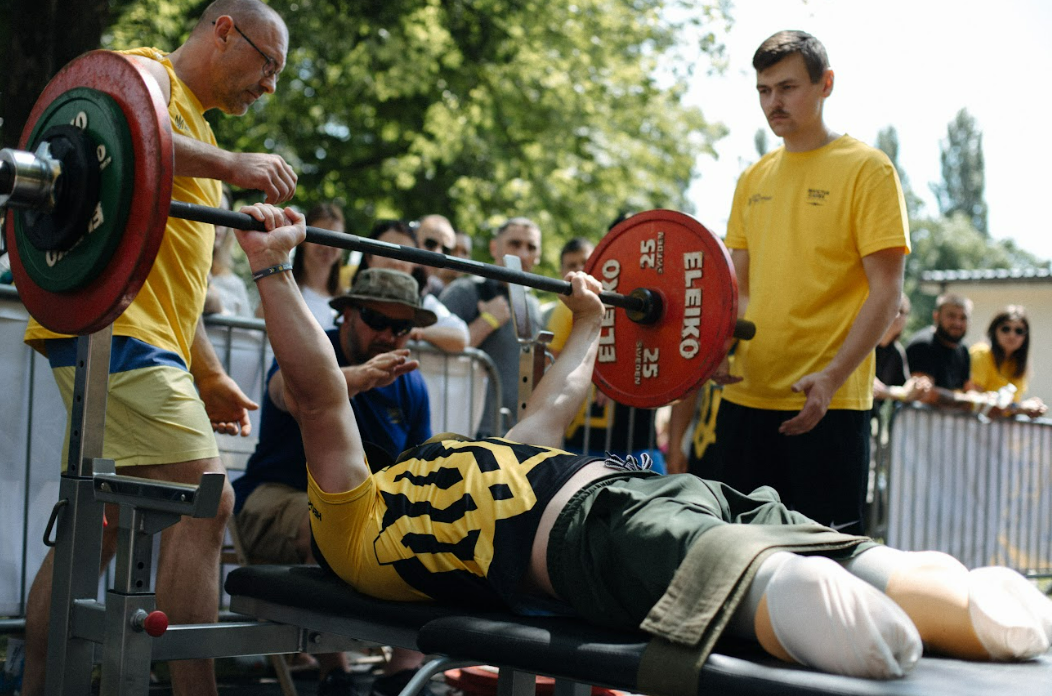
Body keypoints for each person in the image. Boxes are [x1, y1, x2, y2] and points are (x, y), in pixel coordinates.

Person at [236, 203, 1052, 681]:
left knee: (820, 554)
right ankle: (909, 600)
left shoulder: (472, 455)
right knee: (804, 589)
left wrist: (591, 319)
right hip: (590, 533)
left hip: (641, 499)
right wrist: (273, 271)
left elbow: (555, 402)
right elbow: (313, 394)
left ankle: (933, 592)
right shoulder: (351, 524)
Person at [20, 2, 296, 694]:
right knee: (207, 501)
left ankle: (35, 683)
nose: (268, 91)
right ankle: (192, 688)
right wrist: (236, 165)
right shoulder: (144, 77)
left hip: (135, 336)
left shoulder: (191, 128)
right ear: (225, 29)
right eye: (269, 68)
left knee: (102, 521)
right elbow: (144, 140)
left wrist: (207, 373)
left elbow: (162, 280)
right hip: (117, 338)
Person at [709, 30, 909, 536]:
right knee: (736, 560)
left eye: (787, 87)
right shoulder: (751, 178)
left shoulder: (869, 170)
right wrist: (713, 346)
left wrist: (834, 377)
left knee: (824, 569)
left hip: (826, 405)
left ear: (827, 85)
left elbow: (886, 293)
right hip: (744, 399)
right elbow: (741, 289)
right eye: (763, 90)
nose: (773, 102)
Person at [233, 267, 435, 695]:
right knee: (328, 524)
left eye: (401, 327)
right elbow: (279, 391)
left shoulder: (411, 384)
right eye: (377, 320)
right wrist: (358, 379)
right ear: (346, 313)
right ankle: (334, 672)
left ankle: (402, 672)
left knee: (435, 529)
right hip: (276, 497)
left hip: (362, 509)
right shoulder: (311, 346)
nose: (389, 335)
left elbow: (418, 470)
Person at [440, 217, 542, 436]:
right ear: (495, 248)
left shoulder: (533, 306)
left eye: (531, 247)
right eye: (515, 244)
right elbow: (436, 354)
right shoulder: (465, 292)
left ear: (538, 255)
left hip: (517, 433)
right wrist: (486, 323)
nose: (523, 254)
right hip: (466, 431)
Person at [355, 220, 469, 353]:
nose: (396, 262)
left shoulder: (424, 301)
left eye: (404, 255)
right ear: (369, 256)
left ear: (414, 264)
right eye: (387, 251)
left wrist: (413, 332)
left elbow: (461, 335)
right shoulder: (346, 296)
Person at [260, 202, 346, 329]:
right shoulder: (281, 290)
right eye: (321, 238)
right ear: (303, 239)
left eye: (335, 239)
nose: (327, 247)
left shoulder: (347, 300)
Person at [968, 306, 1047, 418]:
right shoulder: (981, 353)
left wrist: (1032, 407)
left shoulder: (1019, 364)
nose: (1012, 335)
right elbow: (975, 401)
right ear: (994, 330)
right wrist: (1022, 407)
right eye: (1006, 329)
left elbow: (1010, 406)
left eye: (1019, 331)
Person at [906, 293, 974, 392]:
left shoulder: (963, 349)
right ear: (936, 316)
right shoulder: (923, 345)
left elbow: (967, 389)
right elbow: (924, 393)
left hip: (952, 407)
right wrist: (965, 400)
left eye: (963, 318)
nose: (957, 323)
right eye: (951, 316)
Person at [203, 185, 253, 317]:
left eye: (224, 217)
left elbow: (250, 336)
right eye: (211, 214)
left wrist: (219, 309)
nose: (217, 224)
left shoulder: (234, 284)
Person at [414, 214, 458, 296]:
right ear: (414, 241)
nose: (438, 253)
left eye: (445, 249)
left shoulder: (439, 291)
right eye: (430, 244)